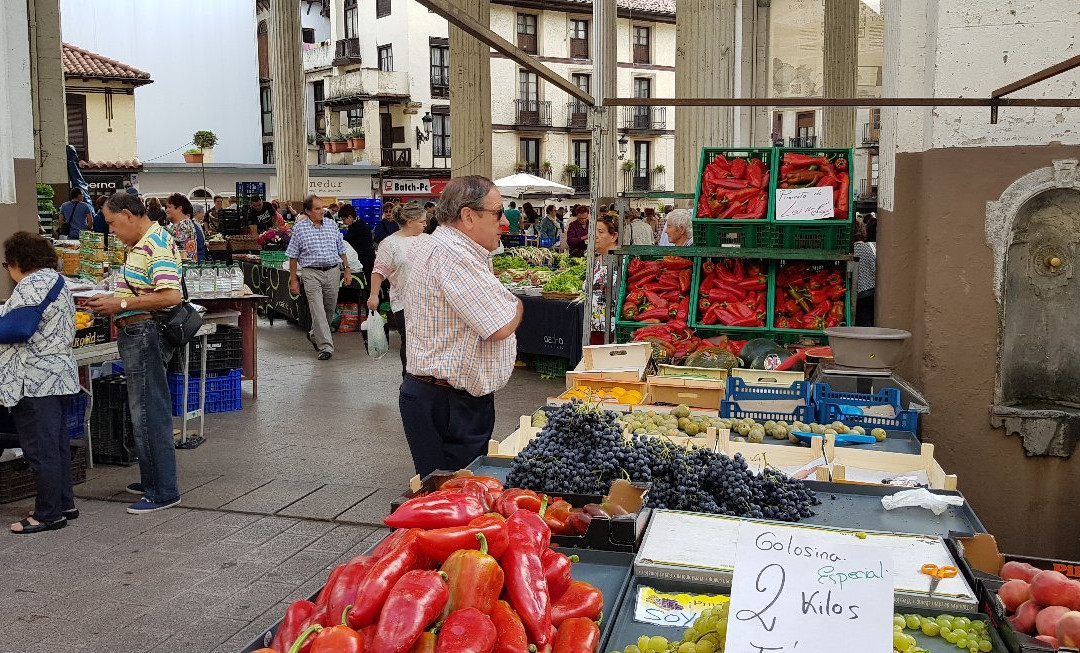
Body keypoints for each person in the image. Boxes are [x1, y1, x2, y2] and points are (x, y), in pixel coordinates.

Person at [400, 176, 522, 477]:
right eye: (497, 212)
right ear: (468, 216)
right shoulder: (454, 255)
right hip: (449, 403)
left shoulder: (448, 248)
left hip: (444, 397)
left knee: (447, 497)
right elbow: (500, 325)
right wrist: (517, 305)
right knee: (454, 498)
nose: (504, 222)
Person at [86, 192, 182, 514]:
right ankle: (152, 476)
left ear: (128, 214)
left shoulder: (155, 243)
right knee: (143, 408)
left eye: (112, 223)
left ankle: (163, 491)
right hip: (137, 333)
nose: (112, 230)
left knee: (148, 412)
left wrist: (121, 303)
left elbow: (170, 296)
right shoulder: (142, 244)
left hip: (145, 334)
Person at [1, 232, 79, 533]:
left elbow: (18, 328)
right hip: (57, 375)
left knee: (39, 449)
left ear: (18, 262)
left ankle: (47, 514)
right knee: (55, 444)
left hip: (34, 379)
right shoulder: (55, 280)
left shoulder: (31, 284)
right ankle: (64, 503)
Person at [368, 201, 430, 374]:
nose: (425, 225)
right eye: (422, 222)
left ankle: (427, 380)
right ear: (409, 222)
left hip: (430, 301)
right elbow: (378, 271)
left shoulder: (429, 240)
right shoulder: (390, 244)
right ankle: (409, 378)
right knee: (409, 341)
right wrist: (374, 296)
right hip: (404, 302)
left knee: (429, 342)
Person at [287, 195, 349, 360]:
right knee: (317, 310)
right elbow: (292, 256)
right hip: (311, 273)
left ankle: (315, 334)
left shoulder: (331, 225)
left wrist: (347, 269)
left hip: (333, 271)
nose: (322, 211)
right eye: (317, 208)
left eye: (322, 207)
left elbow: (341, 249)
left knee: (329, 308)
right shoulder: (299, 228)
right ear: (307, 211)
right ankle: (326, 347)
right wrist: (294, 280)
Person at [589, 213, 620, 345]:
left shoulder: (620, 262)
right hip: (594, 327)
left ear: (613, 236)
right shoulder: (596, 260)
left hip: (611, 330)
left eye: (600, 232)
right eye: (593, 231)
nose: (595, 236)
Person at [164, 193, 207, 264]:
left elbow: (170, 243)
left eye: (169, 207)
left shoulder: (186, 225)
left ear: (179, 208)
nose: (166, 210)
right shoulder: (181, 224)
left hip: (185, 270)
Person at [340, 203, 375, 289]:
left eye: (344, 219)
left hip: (364, 258)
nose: (344, 222)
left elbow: (348, 241)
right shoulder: (360, 224)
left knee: (366, 282)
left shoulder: (356, 228)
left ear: (350, 217)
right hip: (369, 257)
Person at [854, 220, 876, 327]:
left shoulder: (849, 251)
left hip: (857, 293)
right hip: (871, 291)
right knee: (868, 321)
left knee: (860, 322)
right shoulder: (871, 247)